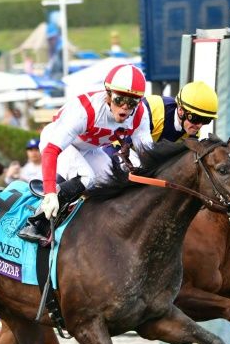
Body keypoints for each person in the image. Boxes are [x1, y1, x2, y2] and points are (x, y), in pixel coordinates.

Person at [18, 63, 153, 242]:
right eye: (120, 100)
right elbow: (51, 150)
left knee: (112, 179)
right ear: (108, 93)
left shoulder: (140, 115)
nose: (125, 108)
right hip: (57, 144)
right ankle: (37, 221)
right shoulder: (85, 110)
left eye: (132, 102)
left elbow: (149, 157)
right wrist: (50, 192)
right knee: (86, 177)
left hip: (89, 149)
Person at [143, 80, 218, 143]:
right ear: (180, 110)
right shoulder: (151, 112)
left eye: (206, 120)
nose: (199, 125)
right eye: (196, 119)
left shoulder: (193, 134)